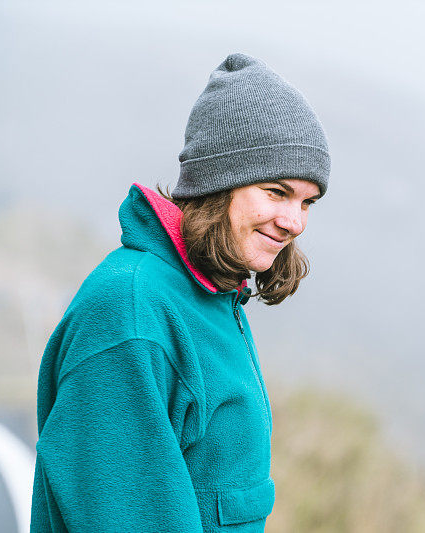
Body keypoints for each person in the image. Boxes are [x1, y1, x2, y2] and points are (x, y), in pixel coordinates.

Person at [30, 53, 330, 532]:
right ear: (218, 182)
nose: (294, 221)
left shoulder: (211, 293)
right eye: (276, 191)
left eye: (307, 201)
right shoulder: (130, 314)